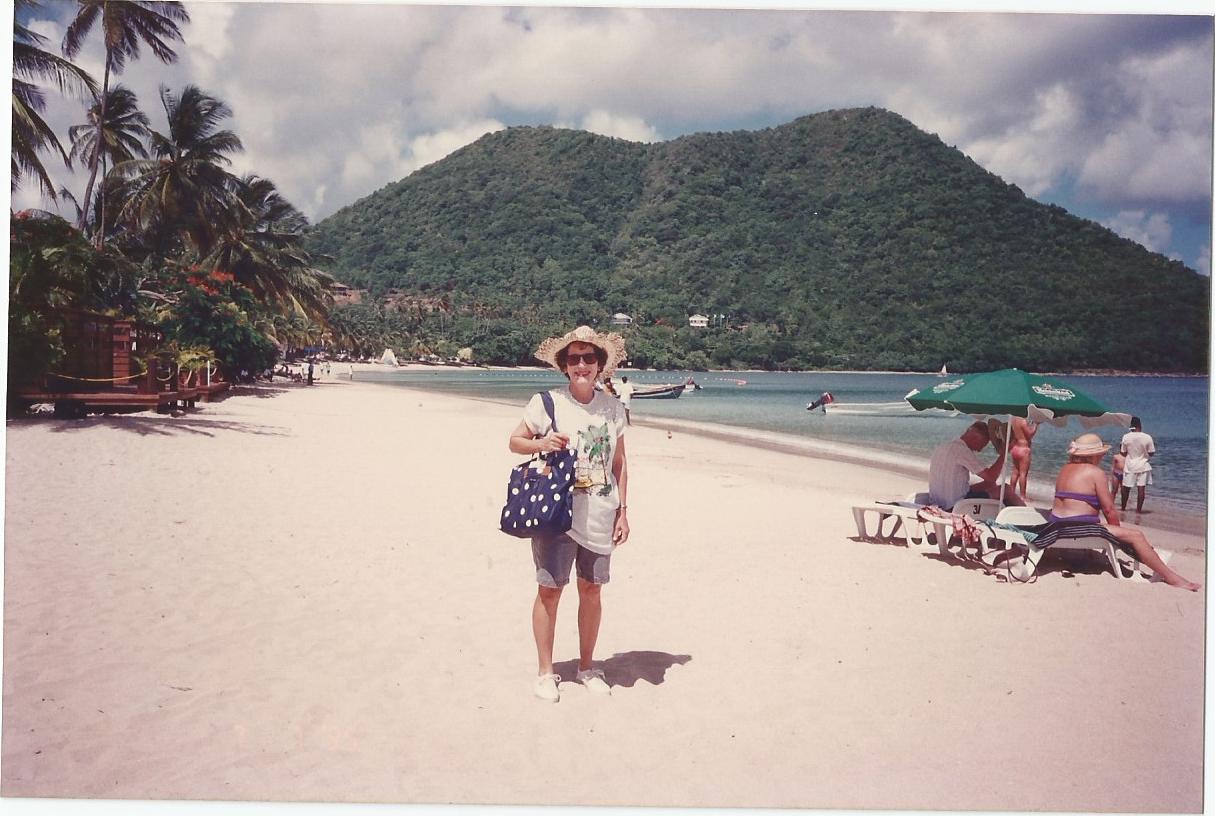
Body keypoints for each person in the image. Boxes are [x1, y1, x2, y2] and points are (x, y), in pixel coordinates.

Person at [508, 326, 630, 702]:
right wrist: (542, 442)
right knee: (550, 590)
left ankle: (587, 667)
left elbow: (620, 463)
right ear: (564, 365)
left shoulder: (613, 408)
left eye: (589, 357)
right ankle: (546, 672)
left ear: (600, 365)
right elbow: (515, 441)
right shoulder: (547, 403)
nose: (581, 364)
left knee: (591, 590)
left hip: (601, 514)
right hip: (557, 515)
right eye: (574, 358)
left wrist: (623, 511)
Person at [1007, 433, 1197, 590]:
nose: (1102, 457)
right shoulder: (1095, 473)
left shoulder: (1065, 469)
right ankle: (1171, 577)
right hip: (1075, 527)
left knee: (1122, 533)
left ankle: (1163, 570)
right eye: (1100, 454)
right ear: (1093, 456)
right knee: (1136, 536)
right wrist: (1116, 538)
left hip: (1056, 523)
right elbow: (1109, 509)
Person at [927, 420, 1021, 508]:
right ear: (976, 437)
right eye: (983, 445)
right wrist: (1004, 453)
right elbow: (991, 476)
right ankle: (1025, 516)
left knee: (990, 484)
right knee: (1006, 489)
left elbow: (990, 481)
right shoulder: (962, 451)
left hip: (937, 501)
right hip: (955, 505)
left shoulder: (943, 446)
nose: (979, 450)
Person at [1120, 416, 1155, 513]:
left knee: (1126, 488)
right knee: (1141, 488)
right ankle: (1138, 511)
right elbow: (1151, 453)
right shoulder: (1147, 437)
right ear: (1140, 425)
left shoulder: (1126, 437)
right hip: (1143, 465)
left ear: (1131, 426)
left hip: (1130, 465)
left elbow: (1123, 452)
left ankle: (1123, 508)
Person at [1008, 416, 1038, 500]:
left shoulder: (1014, 419)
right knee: (1023, 474)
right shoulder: (1023, 421)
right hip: (1024, 449)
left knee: (1015, 472)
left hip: (1015, 448)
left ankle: (1011, 493)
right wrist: (1036, 425)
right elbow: (1030, 434)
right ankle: (1022, 496)